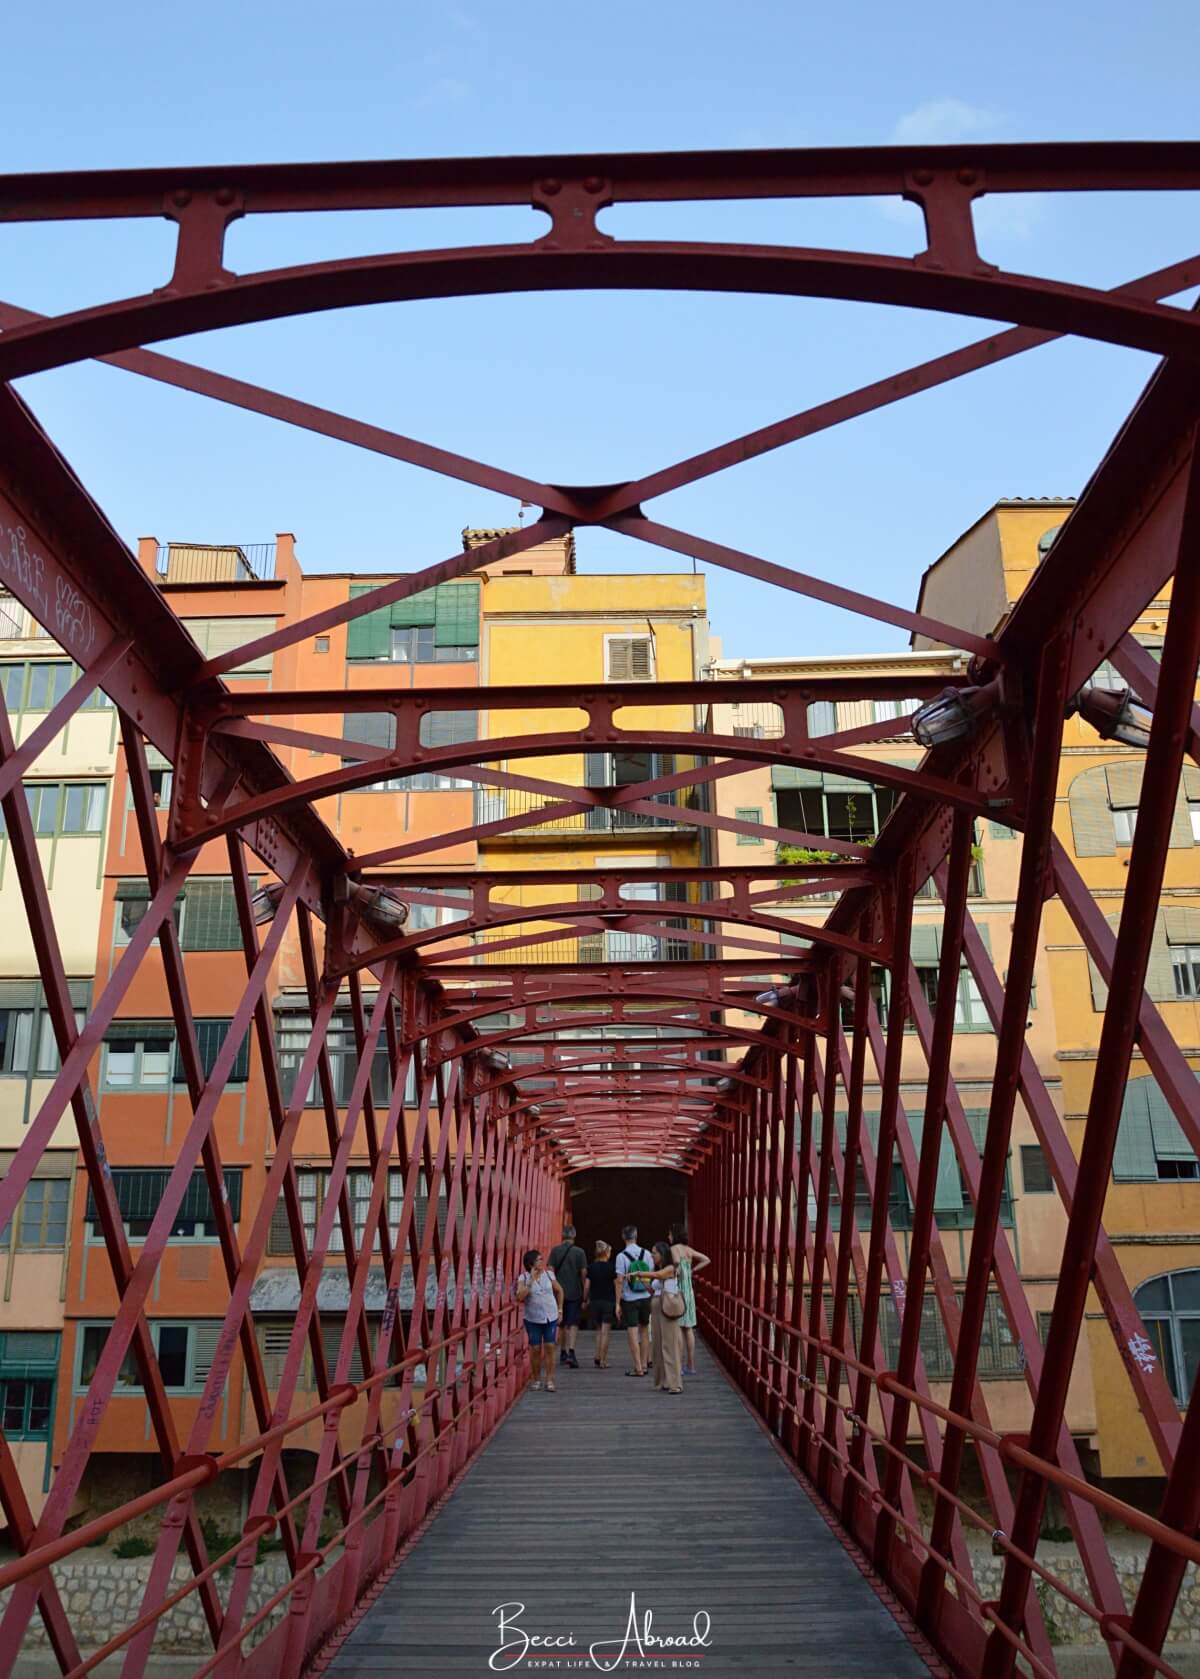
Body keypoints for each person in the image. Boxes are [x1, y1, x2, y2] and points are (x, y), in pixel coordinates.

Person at [516, 1247, 563, 1393]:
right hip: (533, 1318)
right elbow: (519, 1297)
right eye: (539, 1259)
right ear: (531, 1263)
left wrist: (560, 1309)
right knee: (535, 1349)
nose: (542, 1261)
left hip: (550, 1316)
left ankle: (549, 1380)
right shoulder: (523, 1278)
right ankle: (536, 1379)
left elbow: (559, 1290)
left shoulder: (549, 1275)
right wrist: (530, 1282)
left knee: (549, 1347)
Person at [669, 1222, 711, 1377]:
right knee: (689, 1329)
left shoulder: (673, 1249)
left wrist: (676, 1272)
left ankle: (679, 1366)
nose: (668, 1237)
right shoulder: (689, 1250)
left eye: (670, 1234)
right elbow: (707, 1259)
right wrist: (692, 1270)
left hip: (678, 1291)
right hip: (689, 1292)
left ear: (674, 1235)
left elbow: (676, 1267)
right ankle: (691, 1366)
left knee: (679, 1328)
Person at [643, 1240, 684, 1395]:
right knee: (658, 1345)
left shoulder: (669, 1268)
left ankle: (675, 1383)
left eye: (654, 1253)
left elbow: (658, 1275)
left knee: (669, 1346)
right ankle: (662, 1380)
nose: (652, 1255)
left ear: (662, 1254)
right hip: (657, 1309)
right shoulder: (659, 1269)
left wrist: (641, 1273)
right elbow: (654, 1290)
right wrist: (642, 1281)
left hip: (667, 1310)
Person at [614, 1223, 653, 1378]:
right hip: (645, 1297)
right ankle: (644, 1364)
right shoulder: (648, 1254)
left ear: (623, 1237)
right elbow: (651, 1275)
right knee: (644, 1329)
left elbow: (619, 1280)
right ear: (636, 1236)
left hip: (630, 1298)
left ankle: (637, 1367)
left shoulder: (621, 1256)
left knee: (632, 1330)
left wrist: (617, 1303)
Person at [548, 1223, 587, 1369]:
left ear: (562, 1235)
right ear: (574, 1236)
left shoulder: (555, 1251)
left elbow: (550, 1270)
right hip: (574, 1292)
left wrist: (553, 1288)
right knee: (573, 1323)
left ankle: (563, 1352)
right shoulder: (580, 1252)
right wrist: (584, 1291)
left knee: (562, 1323)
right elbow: (583, 1273)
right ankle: (571, 1351)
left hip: (558, 1293)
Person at [585, 1239, 617, 1367]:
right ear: (606, 1253)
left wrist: (585, 1299)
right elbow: (616, 1285)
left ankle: (597, 1356)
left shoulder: (591, 1267)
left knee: (598, 1330)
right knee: (605, 1331)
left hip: (595, 1301)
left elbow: (587, 1286)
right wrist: (619, 1301)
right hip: (608, 1301)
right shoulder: (611, 1267)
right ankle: (603, 1360)